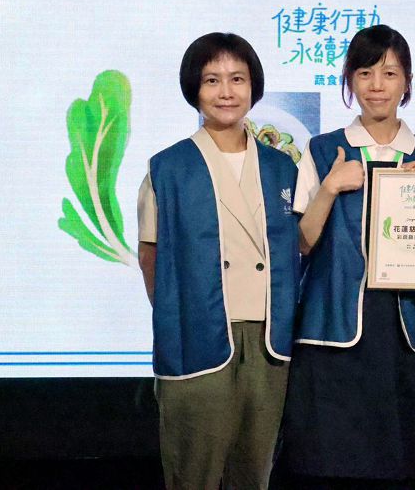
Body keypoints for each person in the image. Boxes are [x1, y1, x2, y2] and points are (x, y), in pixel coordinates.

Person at [277, 24, 415, 489]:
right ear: (349, 80)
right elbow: (302, 243)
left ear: (407, 82)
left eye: (390, 73)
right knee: (326, 460)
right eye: (365, 73)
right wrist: (330, 187)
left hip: (405, 326)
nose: (378, 85)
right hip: (333, 322)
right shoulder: (322, 150)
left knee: (401, 462)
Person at [136, 32, 299, 490]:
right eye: (212, 80)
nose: (226, 91)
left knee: (254, 470)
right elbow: (150, 257)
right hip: (197, 333)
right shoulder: (167, 167)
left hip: (267, 339)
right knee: (194, 470)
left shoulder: (282, 166)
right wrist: (178, 315)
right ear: (194, 88)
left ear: (254, 87)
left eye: (237, 79)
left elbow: (301, 245)